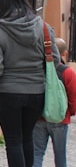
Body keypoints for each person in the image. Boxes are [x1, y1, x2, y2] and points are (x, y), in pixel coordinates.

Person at [0, 0, 61, 167]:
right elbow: (55, 60)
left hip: (7, 93)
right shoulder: (43, 27)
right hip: (36, 92)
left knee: (13, 141)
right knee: (27, 138)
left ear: (0, 4)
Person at [32, 37, 76, 167]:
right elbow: (73, 97)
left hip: (40, 117)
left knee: (37, 153)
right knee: (60, 155)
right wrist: (70, 113)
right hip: (60, 119)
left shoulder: (39, 70)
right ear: (64, 53)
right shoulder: (67, 73)